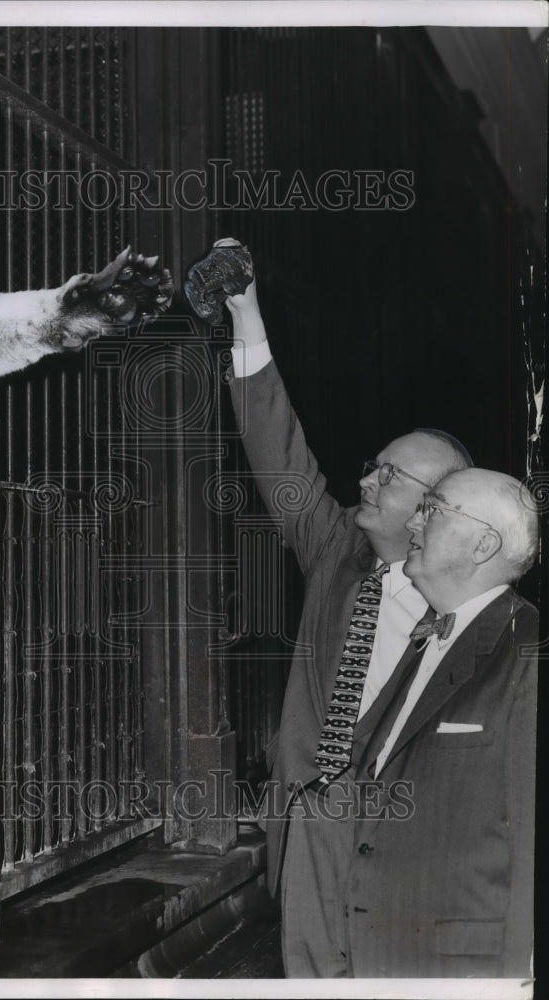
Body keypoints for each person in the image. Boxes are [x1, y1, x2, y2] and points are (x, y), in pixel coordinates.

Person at [201, 240, 474, 976]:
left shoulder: (477, 614)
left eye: (389, 475)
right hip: (318, 823)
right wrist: (245, 315)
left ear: (431, 512)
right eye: (373, 466)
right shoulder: (334, 552)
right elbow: (277, 451)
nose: (368, 478)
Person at [345, 468, 538, 978]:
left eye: (433, 509)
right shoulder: (426, 637)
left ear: (483, 544)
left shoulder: (530, 653)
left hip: (466, 970)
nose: (414, 522)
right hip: (384, 955)